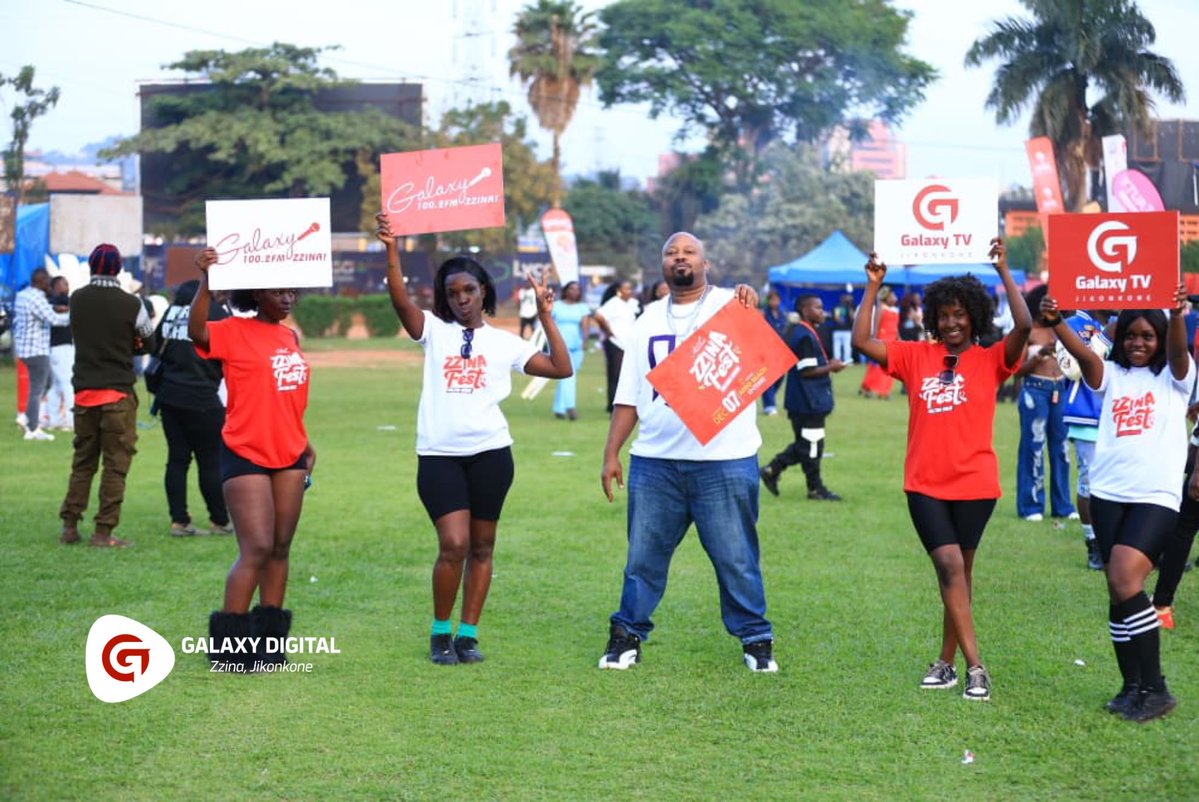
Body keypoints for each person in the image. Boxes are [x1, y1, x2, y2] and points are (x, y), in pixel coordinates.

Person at [377, 213, 572, 666]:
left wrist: (546, 317)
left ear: (484, 291)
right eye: (453, 293)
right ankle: (440, 632)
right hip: (440, 457)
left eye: (469, 290)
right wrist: (391, 247)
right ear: (444, 299)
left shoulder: (505, 344)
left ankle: (468, 635)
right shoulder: (433, 332)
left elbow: (562, 368)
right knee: (454, 544)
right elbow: (399, 300)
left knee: (483, 546)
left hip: (491, 455)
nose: (462, 299)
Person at [852, 239, 1031, 702]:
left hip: (976, 484)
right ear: (932, 318)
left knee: (959, 577)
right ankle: (976, 667)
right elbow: (861, 342)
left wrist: (1006, 270)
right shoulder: (916, 356)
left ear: (974, 314)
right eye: (943, 315)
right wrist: (874, 286)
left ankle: (946, 664)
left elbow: (1026, 324)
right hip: (925, 484)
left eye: (959, 314)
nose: (951, 323)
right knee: (949, 566)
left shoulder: (992, 360)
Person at [598, 231, 778, 674]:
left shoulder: (731, 308)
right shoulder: (646, 320)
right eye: (671, 253)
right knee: (643, 557)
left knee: (736, 557)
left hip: (725, 460)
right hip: (655, 462)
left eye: (689, 252)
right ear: (662, 264)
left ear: (706, 262)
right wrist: (611, 453)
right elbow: (629, 395)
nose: (680, 258)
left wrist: (750, 310)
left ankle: (756, 640)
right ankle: (626, 637)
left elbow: (761, 362)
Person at [1046, 288, 1193, 722]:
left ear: (1161, 336)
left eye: (1148, 335)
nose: (1138, 343)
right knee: (1117, 591)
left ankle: (1157, 688)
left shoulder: (1177, 376)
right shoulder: (1112, 372)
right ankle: (1132, 687)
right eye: (1131, 335)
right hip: (1109, 495)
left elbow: (1179, 350)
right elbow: (1085, 356)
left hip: (1156, 497)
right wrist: (1057, 320)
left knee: (1126, 578)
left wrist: (1179, 313)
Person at [191, 247, 315, 670]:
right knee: (257, 547)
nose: (287, 298)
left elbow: (286, 396)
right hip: (245, 450)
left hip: (291, 453)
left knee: (280, 547)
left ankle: (269, 647)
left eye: (291, 291)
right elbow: (197, 332)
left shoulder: (289, 336)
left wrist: (305, 441)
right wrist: (207, 280)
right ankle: (231, 650)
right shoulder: (233, 330)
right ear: (256, 293)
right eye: (278, 291)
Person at [58, 245, 157, 547]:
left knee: (83, 462)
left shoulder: (77, 298)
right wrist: (131, 346)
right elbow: (149, 342)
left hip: (85, 393)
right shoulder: (132, 303)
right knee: (115, 464)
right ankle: (103, 532)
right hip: (117, 395)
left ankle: (70, 527)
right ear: (117, 269)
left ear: (91, 266)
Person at [153, 279, 234, 537]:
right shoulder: (215, 313)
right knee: (210, 462)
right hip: (202, 398)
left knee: (177, 460)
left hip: (169, 396)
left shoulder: (172, 312)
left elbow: (155, 346)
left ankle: (179, 521)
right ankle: (220, 520)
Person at [760, 294, 846, 500]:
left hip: (803, 400)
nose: (822, 311)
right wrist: (832, 367)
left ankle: (812, 487)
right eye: (817, 307)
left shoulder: (801, 331)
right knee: (810, 446)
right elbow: (806, 371)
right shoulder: (804, 335)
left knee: (808, 444)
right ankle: (775, 470)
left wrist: (828, 363)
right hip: (809, 401)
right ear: (805, 310)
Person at [1055, 309, 1112, 570]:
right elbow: (1072, 370)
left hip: (1121, 412)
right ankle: (1094, 544)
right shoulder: (1072, 324)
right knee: (1090, 479)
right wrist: (1106, 338)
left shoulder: (1127, 321)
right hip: (1087, 413)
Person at [1015, 285, 1075, 522]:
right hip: (1035, 390)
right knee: (1034, 448)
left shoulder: (1061, 330)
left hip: (1059, 389)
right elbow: (1016, 370)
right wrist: (1038, 357)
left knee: (1061, 450)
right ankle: (1031, 505)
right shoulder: (1028, 331)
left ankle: (1063, 505)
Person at [13, 267, 70, 441]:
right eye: (47, 282)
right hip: (37, 350)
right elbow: (54, 320)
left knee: (48, 382)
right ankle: (32, 428)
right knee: (37, 390)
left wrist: (56, 308)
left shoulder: (22, 295)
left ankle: (26, 417)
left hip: (24, 349)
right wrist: (73, 315)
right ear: (41, 281)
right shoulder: (38, 298)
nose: (49, 286)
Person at [593, 280, 640, 414]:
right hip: (615, 342)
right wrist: (608, 331)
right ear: (619, 291)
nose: (629, 291)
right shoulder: (614, 303)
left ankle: (622, 403)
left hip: (628, 344)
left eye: (630, 288)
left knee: (627, 375)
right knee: (616, 375)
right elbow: (599, 316)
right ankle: (613, 406)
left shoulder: (632, 304)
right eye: (626, 289)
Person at [550, 280, 591, 421]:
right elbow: (548, 323)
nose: (574, 291)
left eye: (577, 289)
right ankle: (570, 407)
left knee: (566, 376)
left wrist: (585, 341)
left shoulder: (582, 307)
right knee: (569, 375)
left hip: (576, 345)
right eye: (571, 289)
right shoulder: (556, 306)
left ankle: (558, 408)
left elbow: (586, 326)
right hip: (559, 345)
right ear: (566, 290)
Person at [44, 275, 74, 431]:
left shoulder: (61, 303)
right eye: (64, 284)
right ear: (55, 287)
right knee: (68, 383)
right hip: (61, 347)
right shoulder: (53, 303)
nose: (67, 287)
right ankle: (70, 419)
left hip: (57, 348)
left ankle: (54, 419)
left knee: (55, 385)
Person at [859, 287, 900, 399]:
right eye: (892, 296)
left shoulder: (895, 310)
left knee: (890, 365)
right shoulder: (881, 308)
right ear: (886, 298)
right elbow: (876, 325)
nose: (895, 298)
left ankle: (882, 389)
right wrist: (874, 339)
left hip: (892, 340)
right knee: (879, 365)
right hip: (882, 339)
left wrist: (899, 338)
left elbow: (896, 327)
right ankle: (875, 388)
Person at [760, 289, 788, 416]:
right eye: (772, 299)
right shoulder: (764, 313)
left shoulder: (782, 314)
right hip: (766, 349)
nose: (775, 302)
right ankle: (769, 405)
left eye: (777, 299)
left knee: (780, 375)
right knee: (769, 376)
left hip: (780, 349)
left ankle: (770, 398)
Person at [831, 292, 855, 364]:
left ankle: (837, 361)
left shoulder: (836, 307)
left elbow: (835, 318)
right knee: (846, 347)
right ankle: (846, 361)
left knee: (837, 347)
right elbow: (852, 318)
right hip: (845, 330)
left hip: (837, 330)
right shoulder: (848, 307)